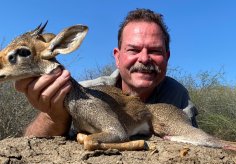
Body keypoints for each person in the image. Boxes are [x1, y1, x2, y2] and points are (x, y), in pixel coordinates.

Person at [15, 8, 198, 138]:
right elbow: (31, 139)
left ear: (167, 57)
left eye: (155, 51)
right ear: (117, 57)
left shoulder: (177, 95)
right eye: (133, 50)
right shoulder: (84, 91)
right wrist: (53, 116)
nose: (144, 58)